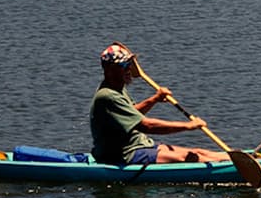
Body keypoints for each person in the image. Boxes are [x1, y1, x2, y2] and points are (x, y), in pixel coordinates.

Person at [90, 42, 228, 165]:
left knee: (197, 152)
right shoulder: (107, 96)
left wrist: (155, 99)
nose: (128, 70)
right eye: (124, 65)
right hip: (123, 155)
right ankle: (234, 169)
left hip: (139, 145)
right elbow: (146, 126)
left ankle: (236, 158)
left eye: (129, 65)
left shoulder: (118, 88)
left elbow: (132, 113)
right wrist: (188, 126)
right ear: (108, 69)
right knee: (187, 158)